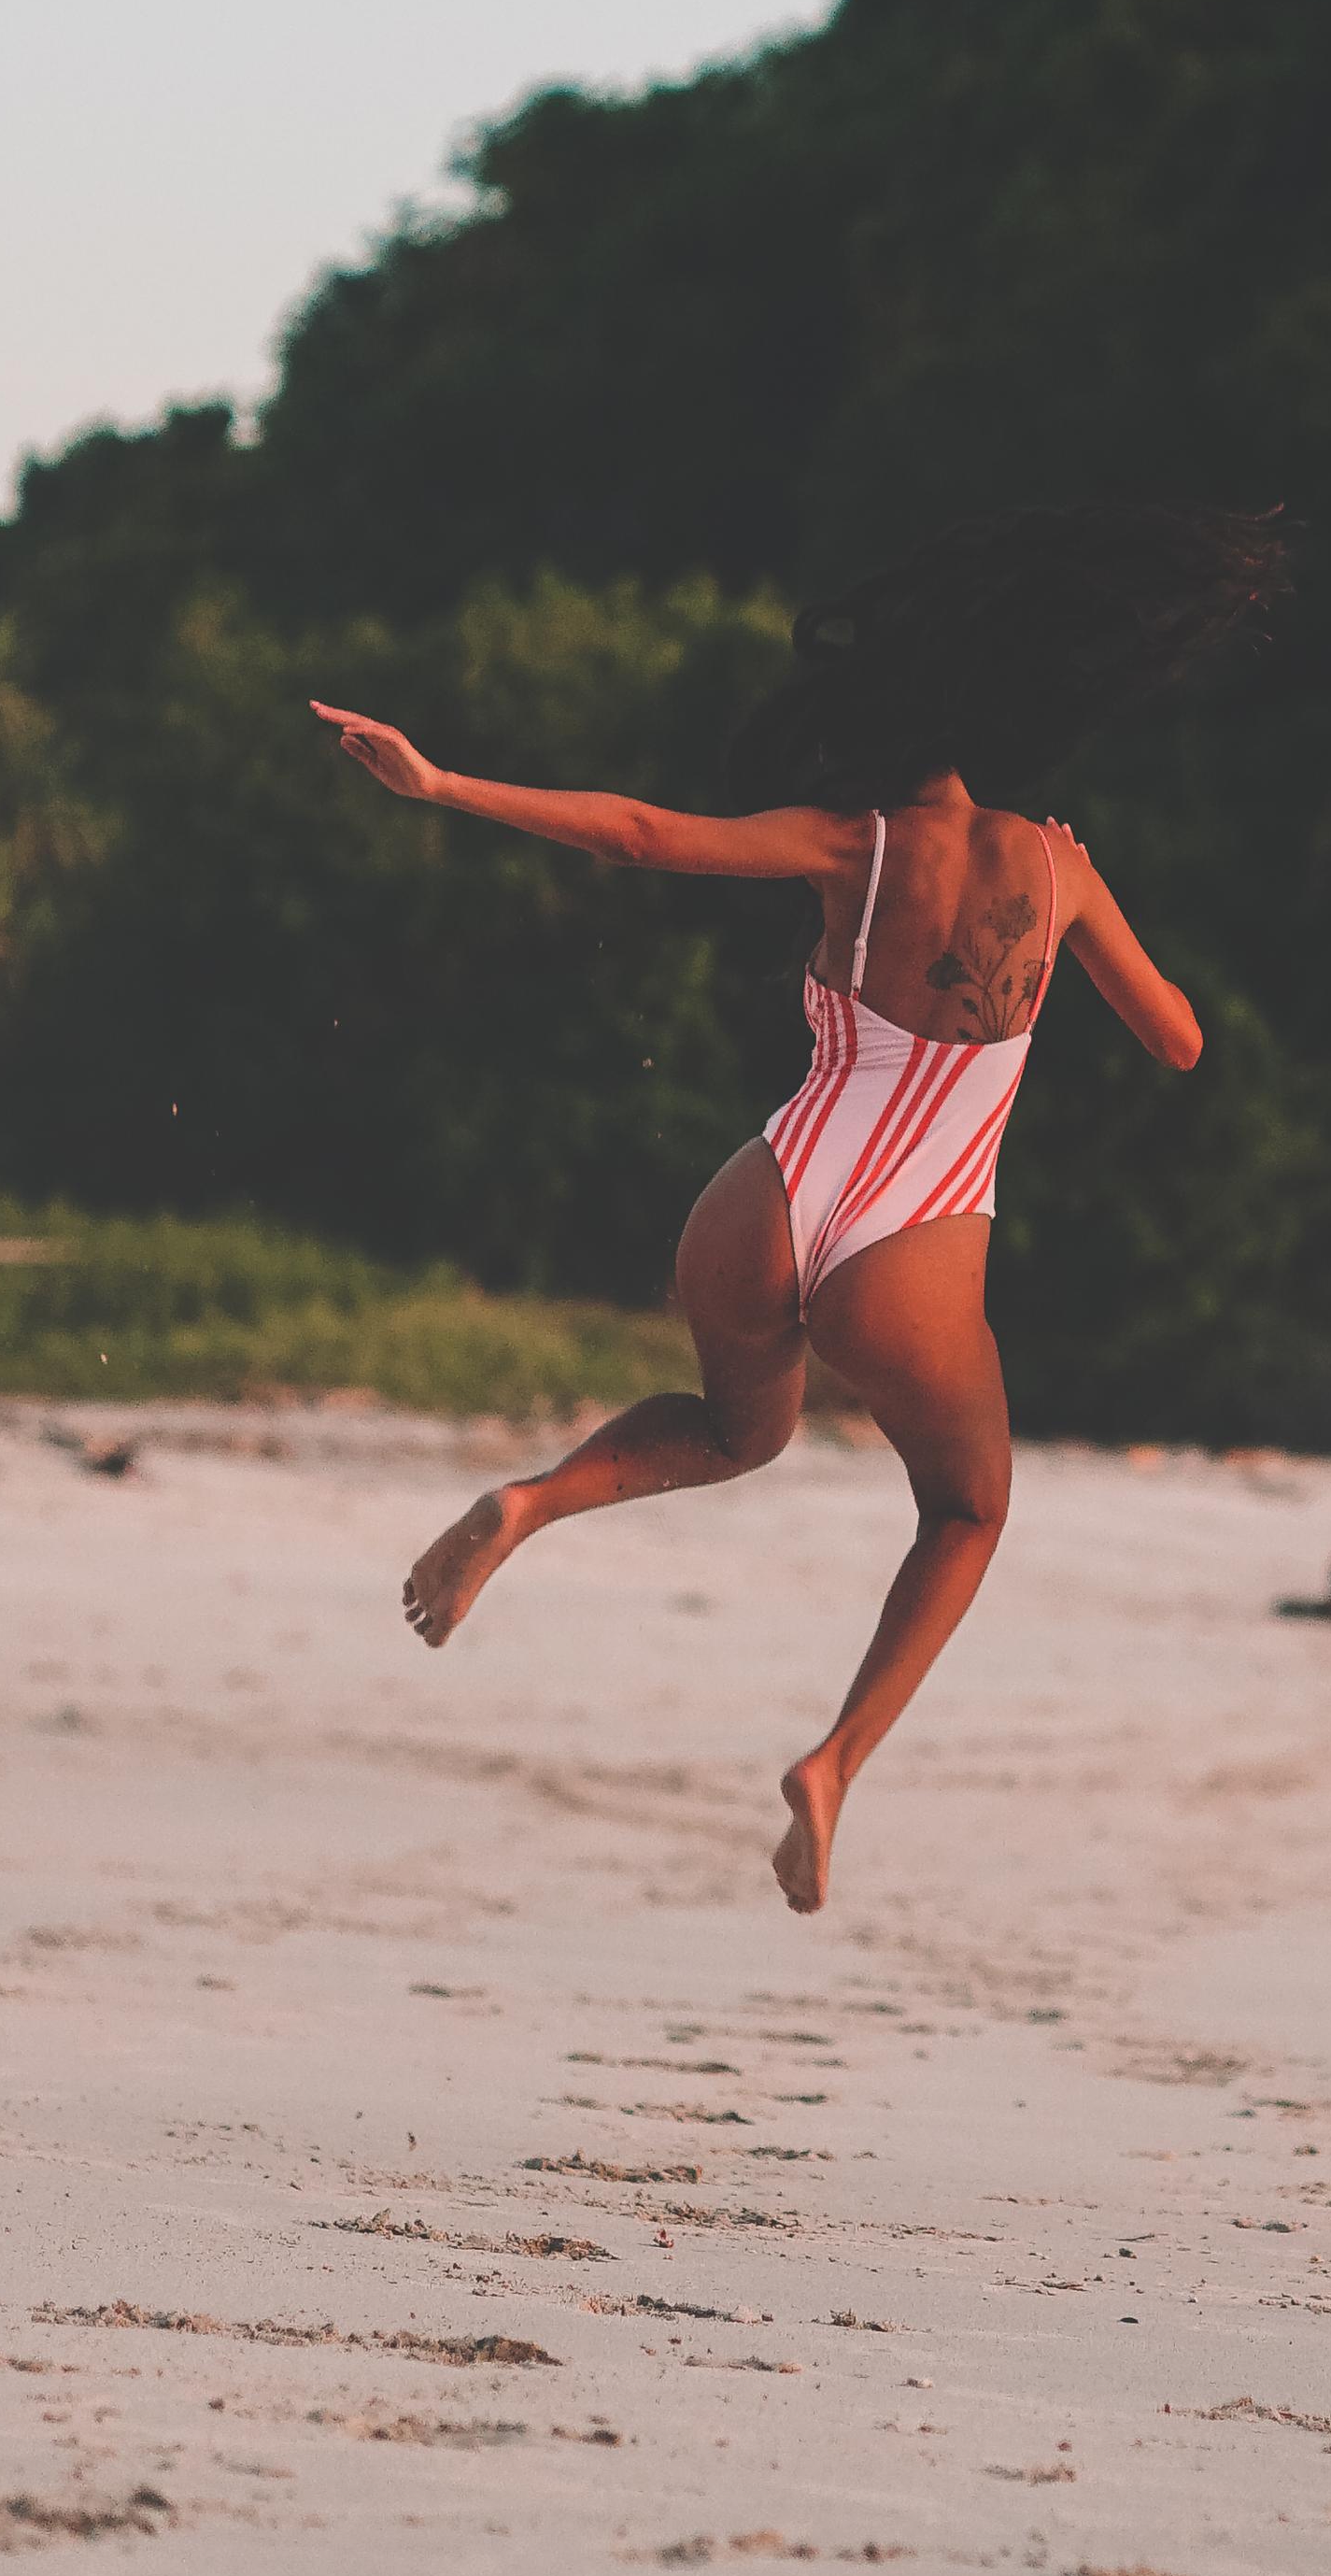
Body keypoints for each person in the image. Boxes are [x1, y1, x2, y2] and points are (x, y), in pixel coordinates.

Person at [310, 502, 1280, 1911]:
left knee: (727, 1431)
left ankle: (530, 1502)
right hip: (920, 1243)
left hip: (768, 1194)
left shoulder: (849, 843)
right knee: (966, 1508)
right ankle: (831, 1766)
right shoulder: (1062, 870)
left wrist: (444, 784)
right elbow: (1183, 1043)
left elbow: (640, 836)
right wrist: (1078, 908)